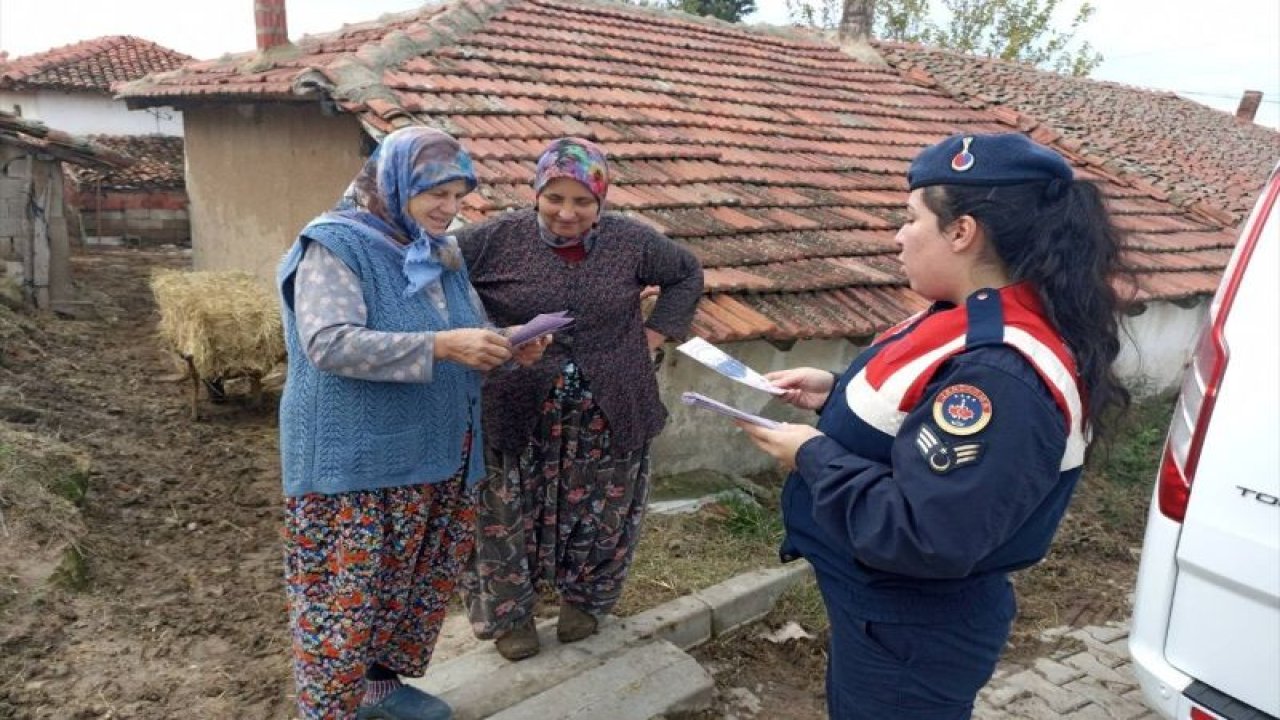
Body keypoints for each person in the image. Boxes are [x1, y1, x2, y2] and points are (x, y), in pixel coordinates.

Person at [738, 132, 1130, 719]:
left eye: (910, 218)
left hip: (911, 628)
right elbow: (918, 418)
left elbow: (929, 534)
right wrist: (834, 394)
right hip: (885, 612)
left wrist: (812, 455)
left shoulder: (1000, 371)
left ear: (962, 231)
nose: (899, 236)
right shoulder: (963, 314)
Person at [276, 126, 545, 720]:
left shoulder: (441, 252)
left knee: (405, 585)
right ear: (395, 184)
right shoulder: (335, 245)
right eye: (436, 195)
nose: (450, 210)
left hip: (436, 451)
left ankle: (378, 690)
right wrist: (447, 346)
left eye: (459, 195)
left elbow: (458, 337)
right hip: (357, 463)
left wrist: (504, 347)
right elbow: (329, 343)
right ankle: (329, 711)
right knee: (344, 599)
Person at [455, 137, 704, 661]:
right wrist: (482, 333)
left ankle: (585, 601)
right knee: (503, 511)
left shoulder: (632, 242)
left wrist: (653, 335)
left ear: (601, 201)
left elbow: (686, 273)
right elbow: (440, 281)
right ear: (536, 193)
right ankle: (510, 617)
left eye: (582, 201)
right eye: (555, 198)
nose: (567, 213)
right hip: (516, 404)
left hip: (608, 406)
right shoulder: (493, 239)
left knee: (602, 509)